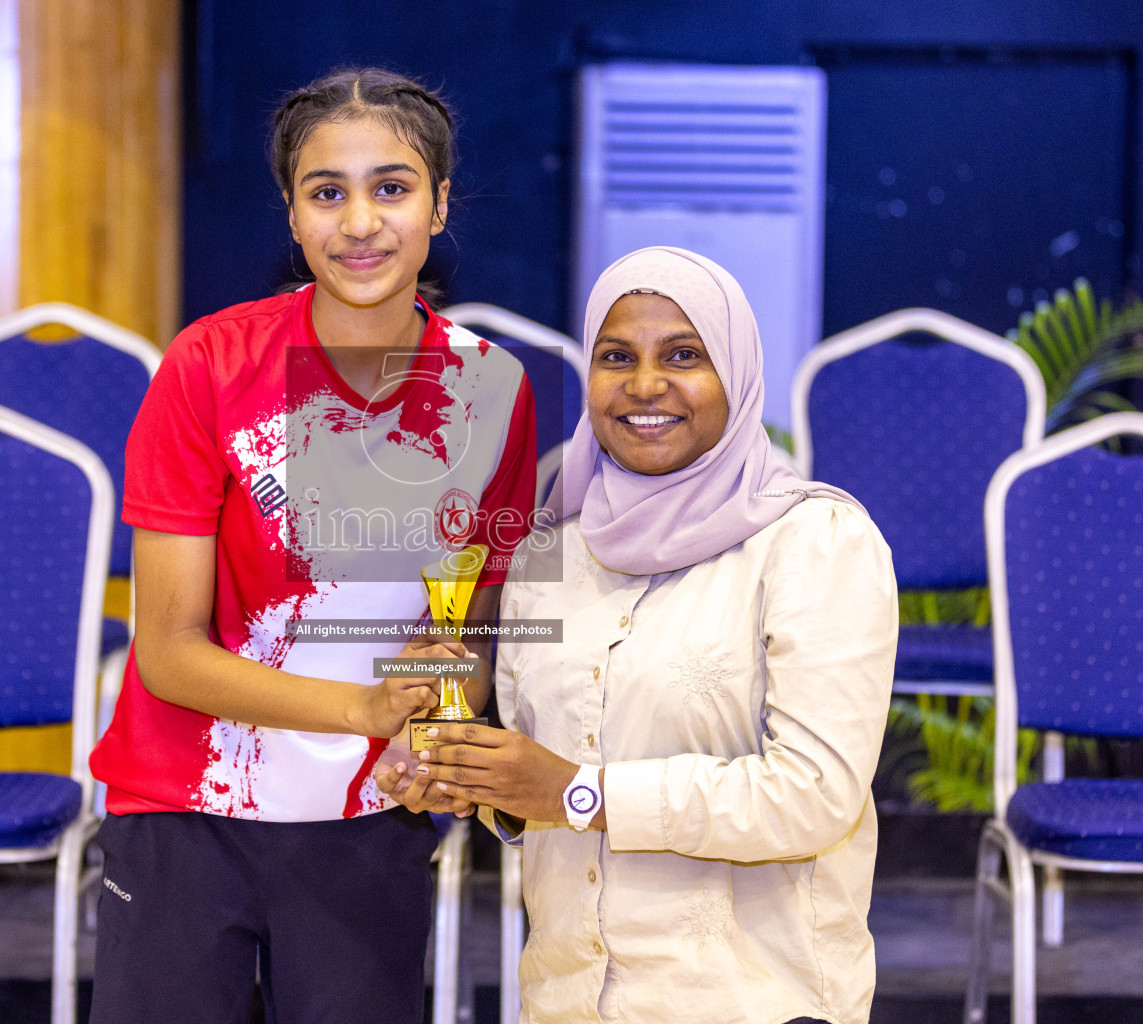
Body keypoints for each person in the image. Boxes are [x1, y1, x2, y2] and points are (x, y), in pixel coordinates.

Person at [88, 68, 537, 1022]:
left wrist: (433, 720)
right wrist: (368, 704)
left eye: (393, 186)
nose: (360, 222)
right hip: (185, 808)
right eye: (327, 192)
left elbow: (470, 623)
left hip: (366, 819)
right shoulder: (208, 365)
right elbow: (168, 653)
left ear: (440, 202)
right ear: (291, 215)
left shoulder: (492, 388)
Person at [380, 246, 898, 1024]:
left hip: (752, 999)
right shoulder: (551, 550)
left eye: (684, 356)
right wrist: (471, 775)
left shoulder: (817, 542)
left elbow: (814, 797)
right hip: (569, 999)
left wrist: (579, 792)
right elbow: (539, 770)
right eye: (616, 357)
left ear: (738, 373)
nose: (645, 385)